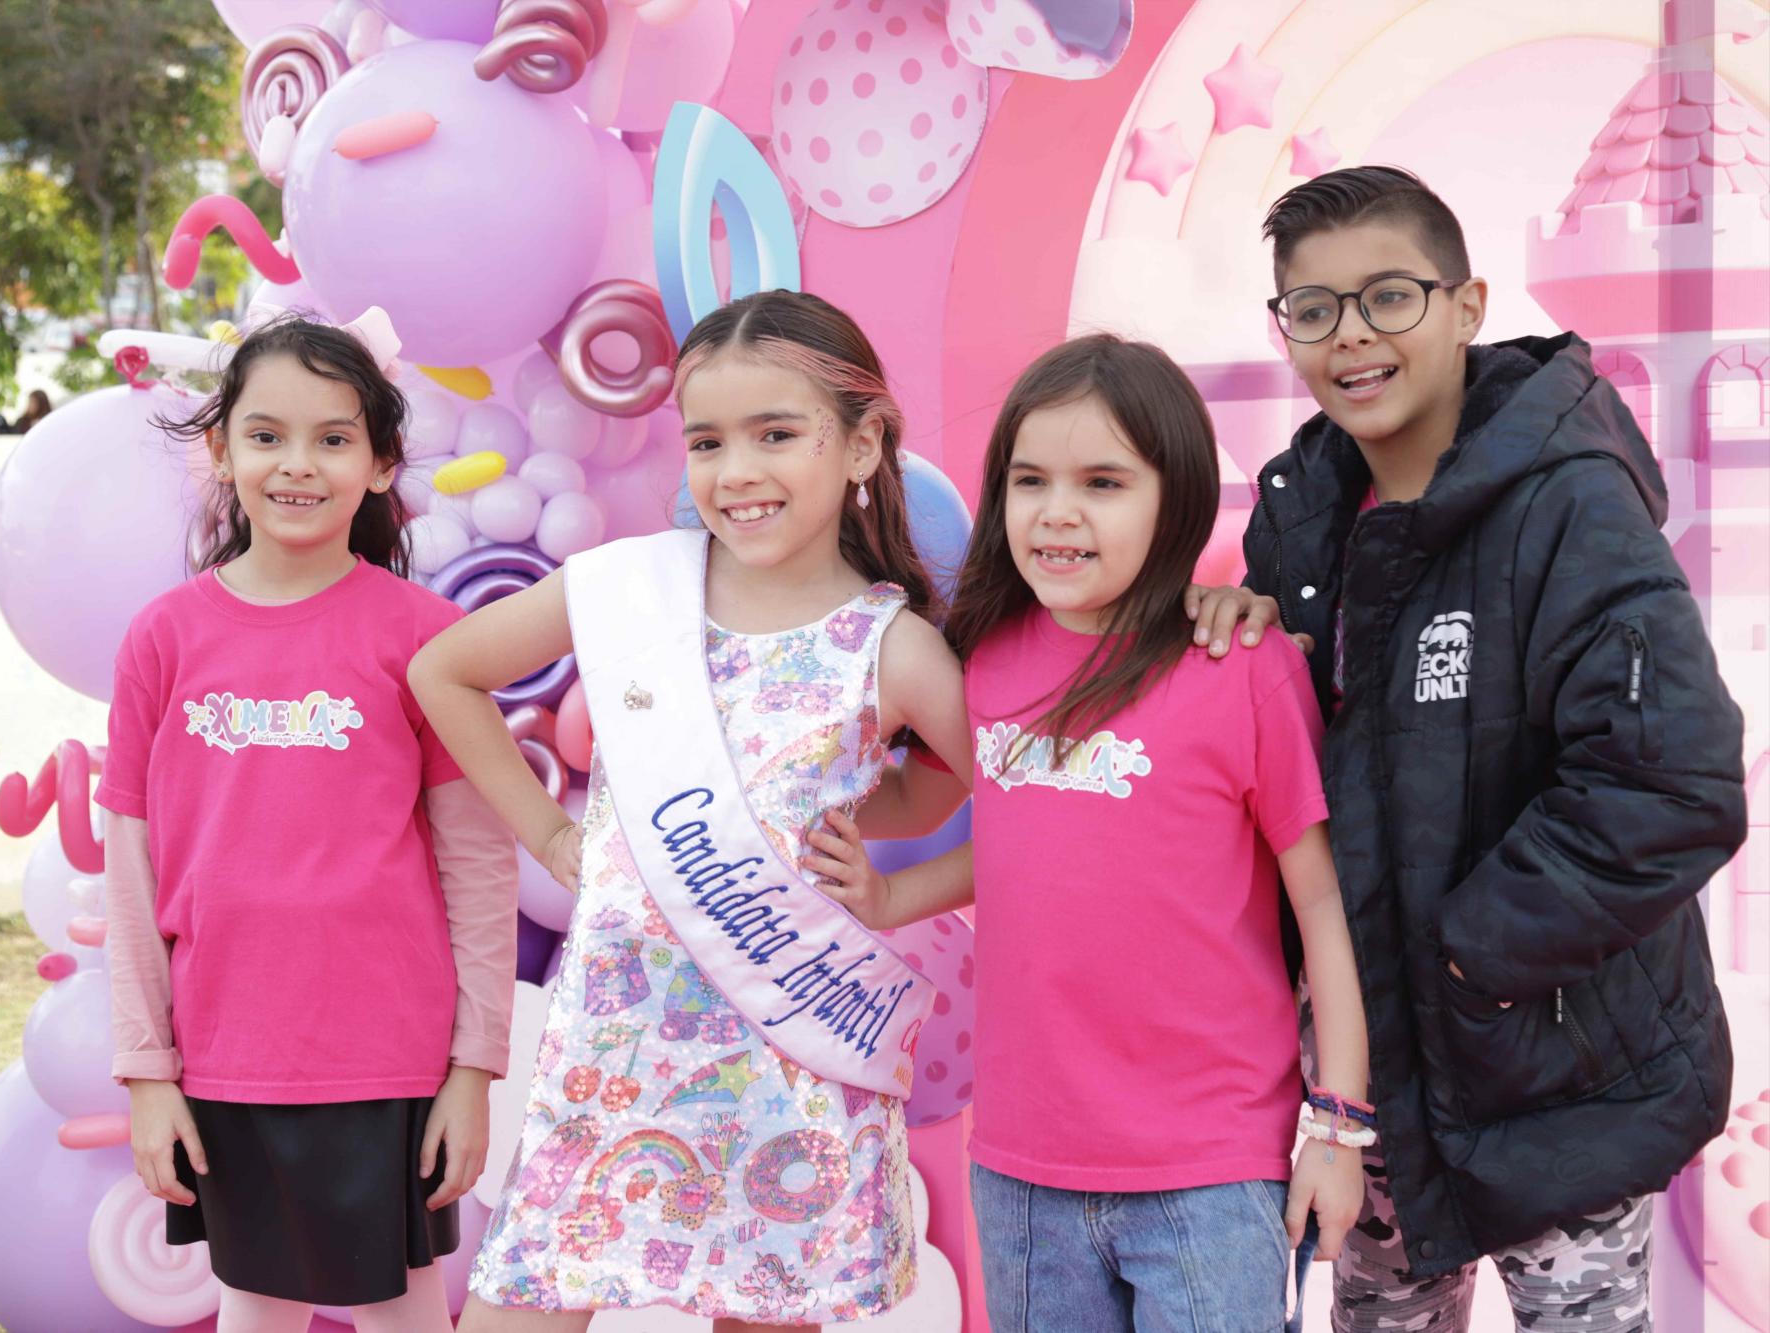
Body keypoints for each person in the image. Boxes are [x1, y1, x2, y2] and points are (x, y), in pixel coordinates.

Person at [1194, 165, 1746, 1330]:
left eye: (1387, 296)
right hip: (1373, 1096)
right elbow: (1290, 775)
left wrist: (1456, 954)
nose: (1350, 337)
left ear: (1464, 303)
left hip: (1562, 1089)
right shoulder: (1298, 515)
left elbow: (1670, 778)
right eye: (1312, 308)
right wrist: (1251, 640)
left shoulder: (1567, 504)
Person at [409, 289, 975, 1330]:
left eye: (776, 434)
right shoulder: (628, 589)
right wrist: (546, 832)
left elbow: (1020, 794)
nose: (736, 470)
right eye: (707, 441)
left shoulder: (889, 646)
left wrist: (892, 878)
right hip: (612, 1058)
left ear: (860, 446)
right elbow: (443, 670)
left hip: (792, 1065)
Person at [806, 334, 1368, 1331]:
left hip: (1208, 1168)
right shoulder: (980, 659)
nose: (1057, 511)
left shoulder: (1242, 666)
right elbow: (1029, 840)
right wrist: (886, 889)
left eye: (1102, 481)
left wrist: (1338, 1124)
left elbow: (1321, 902)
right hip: (1021, 1168)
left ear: (1176, 497)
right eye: (1029, 480)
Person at [97, 313, 518, 1332]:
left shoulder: (426, 639)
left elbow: (477, 863)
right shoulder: (164, 640)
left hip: (390, 1062)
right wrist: (148, 1074)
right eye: (267, 434)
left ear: (379, 464)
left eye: (333, 438)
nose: (298, 464)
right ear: (221, 450)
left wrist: (472, 1070)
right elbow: (131, 874)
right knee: (254, 1307)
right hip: (225, 1054)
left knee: (404, 1310)